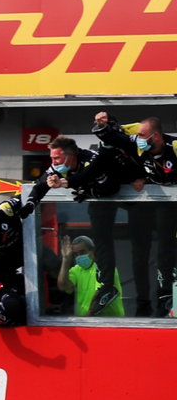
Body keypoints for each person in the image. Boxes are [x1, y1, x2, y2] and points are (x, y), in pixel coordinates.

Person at [28, 135, 131, 314]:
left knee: (106, 234)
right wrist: (31, 198)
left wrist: (75, 185)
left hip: (131, 195)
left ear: (71, 155)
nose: (53, 162)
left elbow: (108, 186)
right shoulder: (77, 269)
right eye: (52, 158)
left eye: (57, 158)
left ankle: (107, 288)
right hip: (88, 321)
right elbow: (63, 285)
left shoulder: (92, 160)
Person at [92, 112, 177, 315]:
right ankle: (142, 302)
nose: (139, 138)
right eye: (137, 134)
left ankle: (165, 294)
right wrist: (102, 121)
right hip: (142, 204)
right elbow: (113, 134)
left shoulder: (173, 146)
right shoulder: (136, 139)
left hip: (169, 204)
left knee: (166, 246)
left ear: (156, 136)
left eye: (144, 135)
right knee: (139, 253)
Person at [56, 235, 125, 317]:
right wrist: (66, 259)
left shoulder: (104, 267)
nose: (79, 257)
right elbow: (63, 285)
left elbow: (102, 294)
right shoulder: (77, 270)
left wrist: (87, 319)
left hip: (110, 322)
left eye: (82, 252)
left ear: (92, 250)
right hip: (87, 323)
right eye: (75, 254)